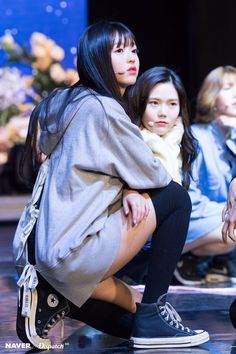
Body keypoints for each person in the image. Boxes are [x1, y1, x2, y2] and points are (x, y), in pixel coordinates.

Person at [13, 20, 209, 350]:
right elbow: (155, 174)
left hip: (40, 254)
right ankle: (155, 310)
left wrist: (131, 188)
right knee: (175, 198)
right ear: (96, 58)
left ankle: (55, 300)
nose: (132, 57)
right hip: (72, 252)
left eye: (133, 49)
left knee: (132, 330)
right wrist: (137, 188)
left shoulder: (63, 103)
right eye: (119, 51)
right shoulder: (103, 108)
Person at [115, 66, 198, 285]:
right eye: (154, 103)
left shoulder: (185, 143)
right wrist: (129, 191)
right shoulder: (128, 139)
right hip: (126, 237)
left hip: (163, 240)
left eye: (172, 104)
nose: (163, 112)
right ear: (140, 103)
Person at [174, 65, 236, 286]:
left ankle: (206, 259)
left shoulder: (232, 136)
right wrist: (227, 211)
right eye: (228, 87)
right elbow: (190, 196)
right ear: (212, 94)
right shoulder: (197, 137)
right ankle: (182, 257)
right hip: (194, 216)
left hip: (218, 216)